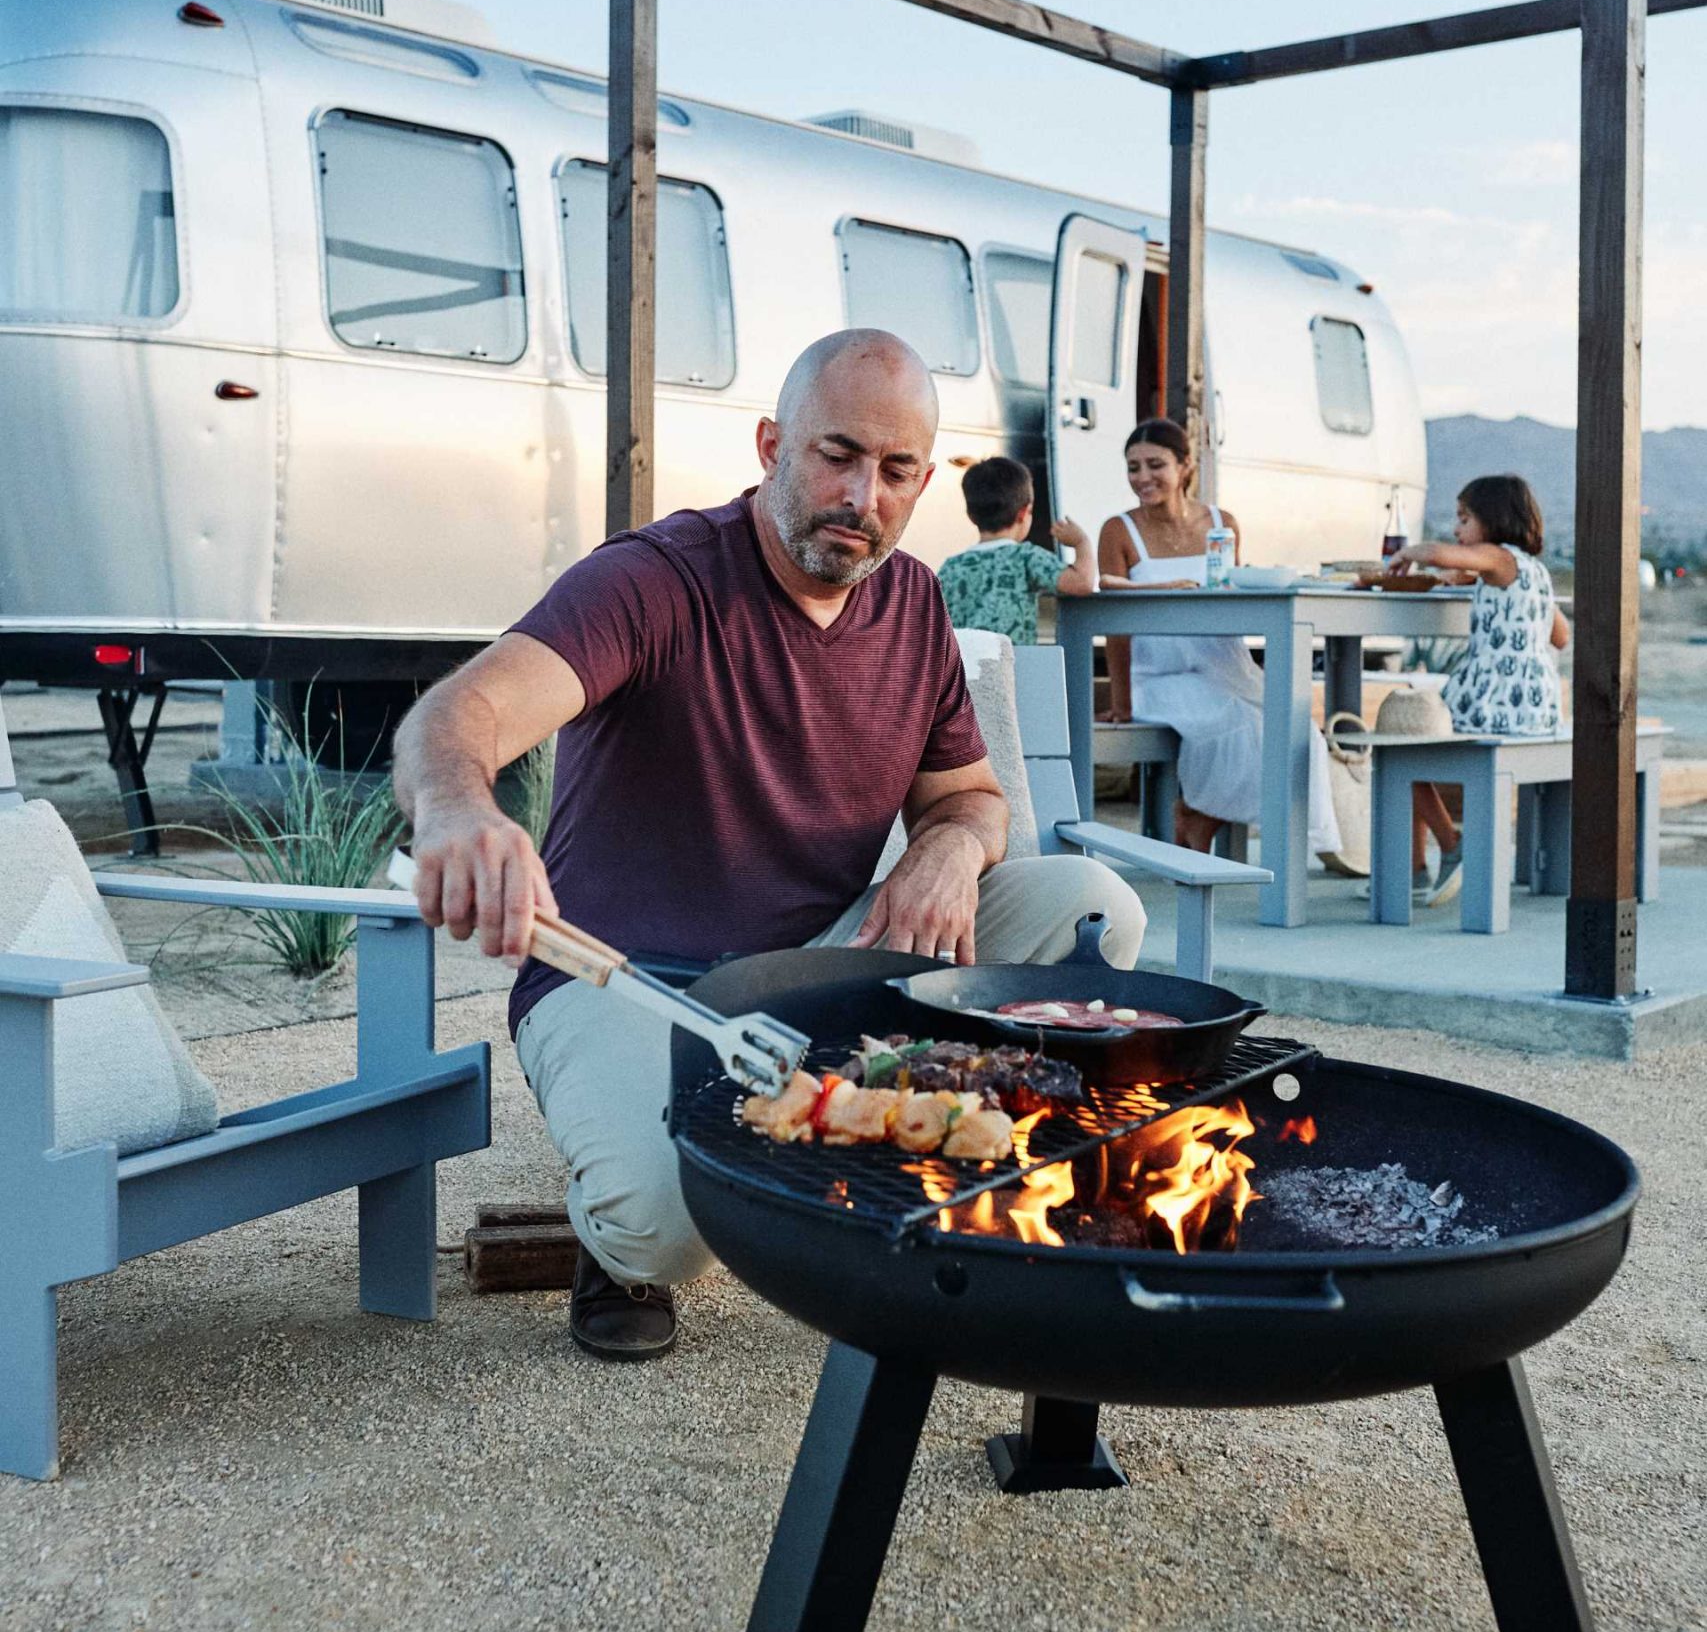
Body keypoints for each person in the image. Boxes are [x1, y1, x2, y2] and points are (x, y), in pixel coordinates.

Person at [392, 329, 1146, 1363]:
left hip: (819, 967)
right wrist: (460, 811)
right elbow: (461, 715)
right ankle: (614, 1238)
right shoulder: (655, 580)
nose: (861, 498)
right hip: (621, 978)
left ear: (924, 481)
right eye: (836, 454)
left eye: (895, 472)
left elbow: (970, 797)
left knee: (1092, 902)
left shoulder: (917, 603)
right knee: (661, 1228)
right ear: (771, 444)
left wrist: (949, 848)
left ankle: (912, 1138)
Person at [1096, 418, 1341, 861]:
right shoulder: (1118, 530)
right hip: (1160, 675)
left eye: (1156, 465)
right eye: (1133, 468)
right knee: (1234, 724)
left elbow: (1232, 593)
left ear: (1185, 466)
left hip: (1227, 667)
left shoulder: (1220, 524)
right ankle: (1196, 816)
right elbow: (1114, 617)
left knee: (1301, 729)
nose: (1143, 478)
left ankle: (1203, 817)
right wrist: (1122, 700)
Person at [1390, 473, 1569, 906]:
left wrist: (1410, 551)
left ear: (1493, 521)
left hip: (1493, 699)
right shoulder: (1535, 572)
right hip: (1536, 704)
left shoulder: (1500, 558)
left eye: (1464, 518)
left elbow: (1440, 554)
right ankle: (1419, 867)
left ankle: (1446, 848)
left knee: (1399, 747)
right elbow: (1559, 636)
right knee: (1409, 742)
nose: (1457, 529)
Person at [938, 456, 1095, 642]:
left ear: (970, 515)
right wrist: (1081, 543)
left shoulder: (951, 567)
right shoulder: (1026, 557)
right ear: (1023, 513)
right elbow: (1082, 583)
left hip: (964, 668)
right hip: (1013, 666)